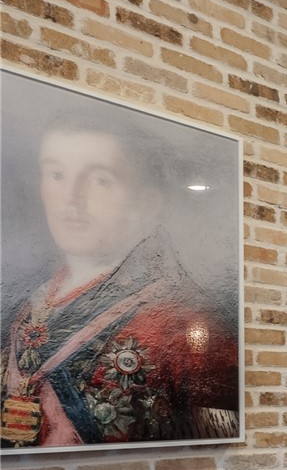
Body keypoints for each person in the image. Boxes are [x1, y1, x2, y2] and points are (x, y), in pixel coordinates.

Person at [3, 112, 239, 446]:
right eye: (56, 175)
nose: (71, 198)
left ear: (147, 201)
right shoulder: (29, 303)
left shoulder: (185, 318)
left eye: (100, 180)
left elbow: (216, 442)